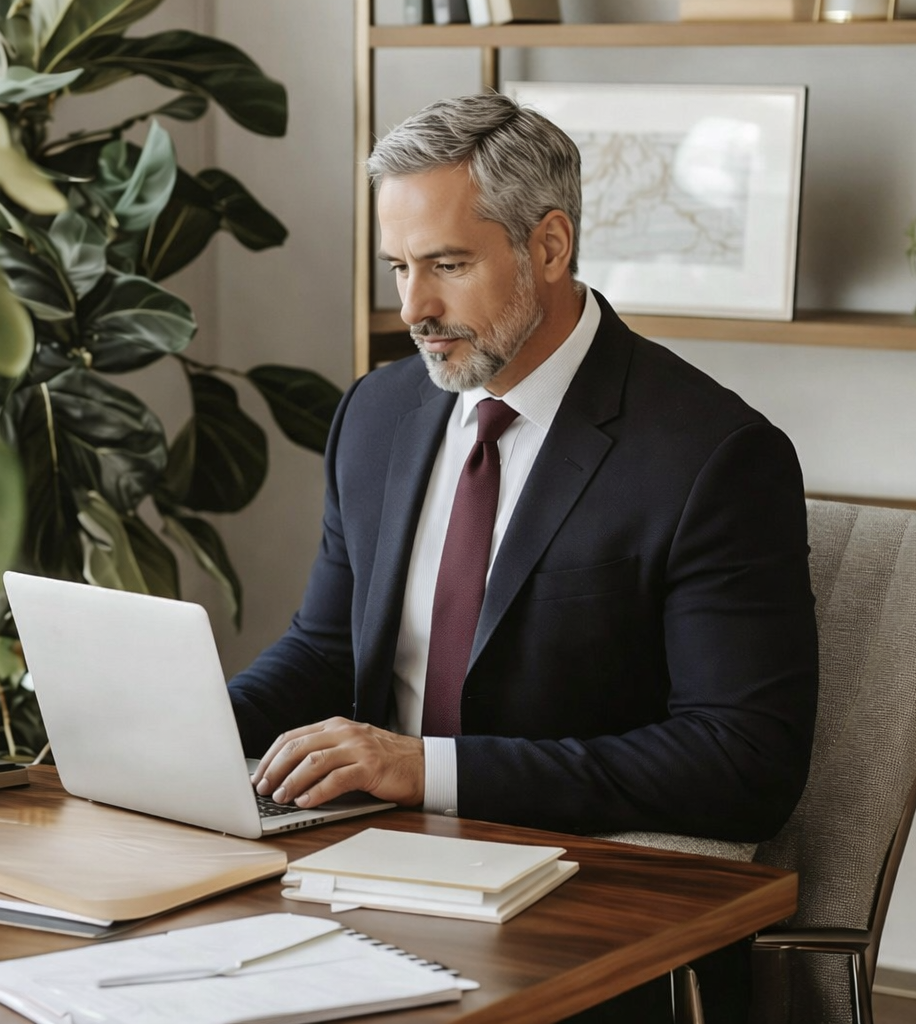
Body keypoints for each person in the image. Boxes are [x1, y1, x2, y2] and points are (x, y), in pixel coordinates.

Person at [228, 93, 818, 1023]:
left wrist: (428, 769)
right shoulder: (376, 415)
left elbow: (743, 762)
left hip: (584, 899)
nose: (413, 308)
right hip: (358, 872)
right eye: (399, 268)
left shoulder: (714, 456)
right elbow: (326, 648)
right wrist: (185, 732)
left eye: (448, 265)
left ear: (548, 246)